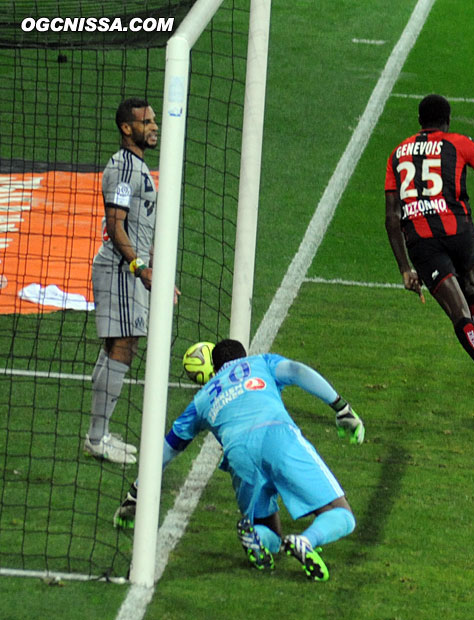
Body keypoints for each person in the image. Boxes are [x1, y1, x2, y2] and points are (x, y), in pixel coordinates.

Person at [114, 339, 366, 581]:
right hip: (276, 435)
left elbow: (168, 447)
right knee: (341, 514)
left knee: (271, 535)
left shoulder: (202, 399)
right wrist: (341, 407)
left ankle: (256, 534)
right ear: (243, 356)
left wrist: (136, 491)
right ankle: (307, 541)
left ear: (213, 369)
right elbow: (296, 371)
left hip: (237, 454)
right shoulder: (261, 362)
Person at [384, 93, 474, 414]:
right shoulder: (460, 142)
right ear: (448, 120)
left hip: (422, 241)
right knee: (470, 286)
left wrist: (404, 268)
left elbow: (391, 216)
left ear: (419, 122)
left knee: (458, 312)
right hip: (460, 232)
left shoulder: (398, 154)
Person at [85, 97, 160, 465]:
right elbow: (115, 225)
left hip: (129, 269)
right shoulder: (122, 168)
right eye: (145, 121)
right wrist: (139, 268)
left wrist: (155, 270)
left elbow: (144, 225)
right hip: (119, 269)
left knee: (119, 347)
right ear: (126, 128)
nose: (153, 126)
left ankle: (99, 434)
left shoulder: (138, 167)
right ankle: (97, 438)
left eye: (153, 120)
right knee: (122, 346)